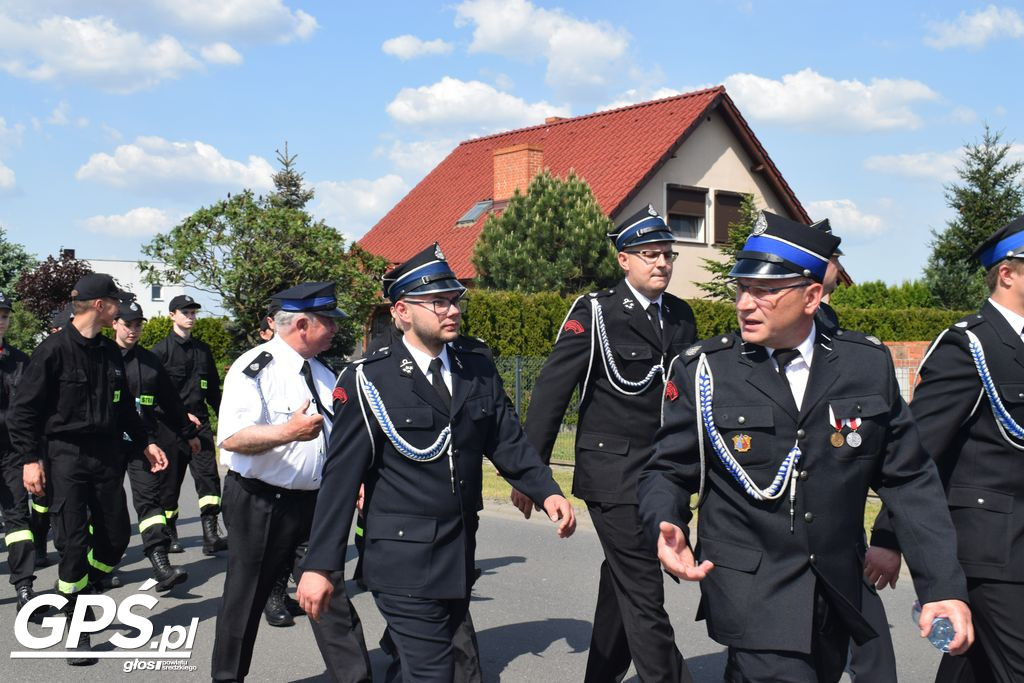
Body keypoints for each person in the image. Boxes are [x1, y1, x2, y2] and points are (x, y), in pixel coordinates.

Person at [637, 211, 973, 682]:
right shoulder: (707, 370)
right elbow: (667, 470)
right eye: (741, 288)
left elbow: (909, 478)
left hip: (837, 590)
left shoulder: (865, 364)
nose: (744, 304)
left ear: (813, 295)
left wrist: (942, 586)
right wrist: (666, 520)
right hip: (752, 593)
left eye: (765, 291)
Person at [297, 243, 576, 682]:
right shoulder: (370, 377)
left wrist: (546, 490)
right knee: (434, 672)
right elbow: (341, 478)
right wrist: (320, 565)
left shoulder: (476, 365)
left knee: (427, 665)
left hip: (459, 550)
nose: (452, 310)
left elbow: (506, 437)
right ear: (402, 311)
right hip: (401, 555)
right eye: (438, 302)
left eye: (454, 300)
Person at [517, 204, 697, 682]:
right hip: (613, 474)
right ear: (624, 260)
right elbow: (552, 395)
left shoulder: (681, 316)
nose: (661, 263)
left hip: (665, 473)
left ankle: (601, 674)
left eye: (667, 255)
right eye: (650, 255)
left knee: (623, 579)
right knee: (643, 587)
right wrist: (531, 476)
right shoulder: (595, 312)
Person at [868, 216, 1024, 682]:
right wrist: (888, 538)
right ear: (1008, 273)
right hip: (988, 548)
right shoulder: (970, 345)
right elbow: (916, 451)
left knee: (970, 666)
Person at [211, 282, 371, 683]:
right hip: (262, 502)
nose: (336, 329)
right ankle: (227, 678)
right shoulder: (255, 368)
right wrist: (287, 432)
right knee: (246, 598)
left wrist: (356, 480)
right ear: (302, 323)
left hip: (316, 503)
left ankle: (355, 678)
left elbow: (336, 438)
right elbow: (232, 438)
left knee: (328, 592)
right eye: (329, 321)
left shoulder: (322, 371)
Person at [7, 273, 167, 664]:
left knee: (113, 538)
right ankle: (79, 623)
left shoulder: (110, 354)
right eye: (115, 302)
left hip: (106, 454)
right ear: (100, 306)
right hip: (66, 456)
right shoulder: (53, 350)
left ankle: (73, 592)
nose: (120, 308)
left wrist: (145, 440)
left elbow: (125, 407)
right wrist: (31, 459)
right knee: (74, 542)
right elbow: (23, 412)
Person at [810, 220, 898, 682]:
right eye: (831, 257)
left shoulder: (839, 332)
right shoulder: (771, 335)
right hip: (797, 524)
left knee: (864, 636)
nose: (837, 267)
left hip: (839, 518)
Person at [112, 299, 197, 590]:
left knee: (150, 501)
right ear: (114, 324)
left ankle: (161, 565)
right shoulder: (99, 358)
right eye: (128, 324)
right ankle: (95, 568)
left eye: (138, 325)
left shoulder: (149, 362)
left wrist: (189, 433)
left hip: (142, 444)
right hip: (104, 447)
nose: (134, 331)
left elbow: (172, 402)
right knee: (107, 510)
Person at [151, 294, 226, 555]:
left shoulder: (203, 351)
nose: (191, 317)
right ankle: (170, 533)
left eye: (194, 313)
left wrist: (228, 420)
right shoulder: (159, 353)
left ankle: (210, 534)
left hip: (201, 424)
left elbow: (214, 392)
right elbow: (154, 397)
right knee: (169, 484)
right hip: (170, 427)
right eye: (185, 312)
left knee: (209, 480)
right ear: (172, 315)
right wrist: (180, 416)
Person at [0, 290, 39, 616]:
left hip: (11, 453)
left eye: (4, 315)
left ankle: (24, 587)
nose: (1, 320)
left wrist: (32, 455)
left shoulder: (20, 361)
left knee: (18, 520)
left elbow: (30, 411)